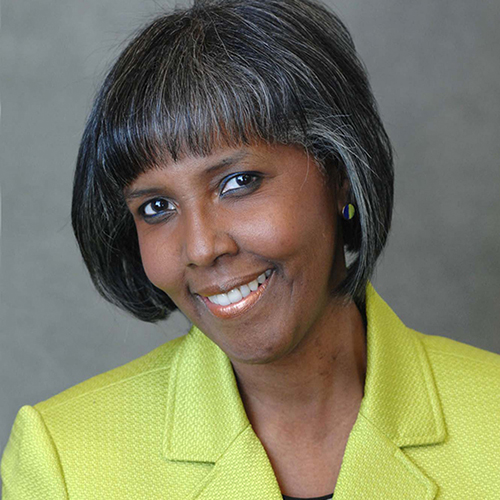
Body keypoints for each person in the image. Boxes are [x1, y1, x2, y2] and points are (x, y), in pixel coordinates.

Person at [2, 0, 499, 498]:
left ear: (341, 176)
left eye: (238, 182)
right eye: (155, 208)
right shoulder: (66, 461)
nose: (200, 247)